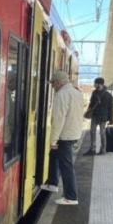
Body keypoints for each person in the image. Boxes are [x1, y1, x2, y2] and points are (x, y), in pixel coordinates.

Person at [41, 70, 83, 205]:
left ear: (59, 83)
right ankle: (52, 183)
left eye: (53, 83)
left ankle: (71, 197)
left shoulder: (61, 94)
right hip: (74, 132)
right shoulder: (77, 93)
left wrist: (53, 140)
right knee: (53, 155)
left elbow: (59, 119)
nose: (52, 86)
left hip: (64, 135)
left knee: (66, 166)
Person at [83, 77, 113, 155]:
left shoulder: (108, 95)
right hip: (95, 115)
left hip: (103, 117)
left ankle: (103, 149)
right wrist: (88, 111)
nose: (94, 84)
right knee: (92, 132)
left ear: (99, 84)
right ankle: (92, 149)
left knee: (102, 133)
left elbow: (111, 108)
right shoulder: (94, 93)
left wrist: (111, 120)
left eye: (95, 83)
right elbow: (91, 103)